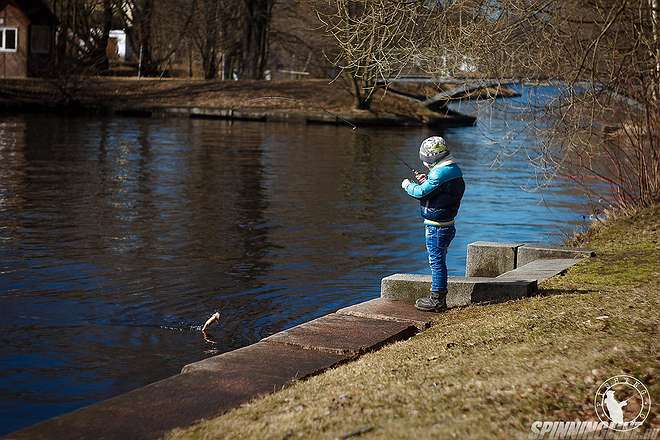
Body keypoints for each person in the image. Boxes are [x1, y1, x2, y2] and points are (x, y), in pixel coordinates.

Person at [401, 136, 465, 312]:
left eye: (425, 160)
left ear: (432, 159)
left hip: (436, 227)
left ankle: (437, 299)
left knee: (436, 262)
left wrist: (408, 185)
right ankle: (438, 297)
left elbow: (421, 193)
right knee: (439, 260)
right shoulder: (453, 170)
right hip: (447, 224)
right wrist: (427, 181)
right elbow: (439, 190)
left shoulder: (438, 174)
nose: (425, 164)